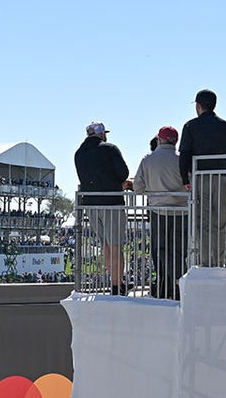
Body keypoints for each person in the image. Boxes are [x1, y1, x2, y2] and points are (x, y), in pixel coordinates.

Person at [179, 89, 226, 268]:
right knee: (220, 223)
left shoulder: (190, 126)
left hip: (201, 179)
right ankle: (218, 262)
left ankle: (205, 264)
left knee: (203, 224)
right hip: (222, 179)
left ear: (198, 106)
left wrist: (185, 180)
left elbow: (185, 154)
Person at [75, 121, 132, 294]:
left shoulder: (79, 153)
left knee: (106, 246)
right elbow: (123, 173)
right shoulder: (110, 149)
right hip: (111, 203)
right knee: (116, 246)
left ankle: (114, 283)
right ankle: (117, 286)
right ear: (101, 134)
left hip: (91, 205)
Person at [131, 126, 187, 299]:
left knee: (159, 250)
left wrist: (152, 191)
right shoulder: (182, 160)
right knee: (179, 251)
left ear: (160, 140)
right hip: (182, 213)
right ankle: (179, 287)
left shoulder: (148, 160)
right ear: (176, 141)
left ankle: (163, 286)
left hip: (158, 212)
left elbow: (138, 188)